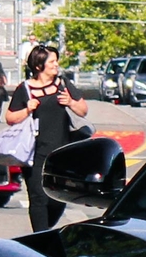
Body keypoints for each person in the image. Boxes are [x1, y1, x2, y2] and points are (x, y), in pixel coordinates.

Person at [7, 43, 88, 231]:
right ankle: (40, 238)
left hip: (62, 152)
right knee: (38, 198)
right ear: (38, 66)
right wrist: (28, 109)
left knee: (58, 199)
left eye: (56, 61)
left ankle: (44, 230)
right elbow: (10, 118)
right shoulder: (25, 89)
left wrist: (70, 102)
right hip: (34, 153)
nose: (56, 64)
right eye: (51, 61)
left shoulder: (63, 84)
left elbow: (83, 110)